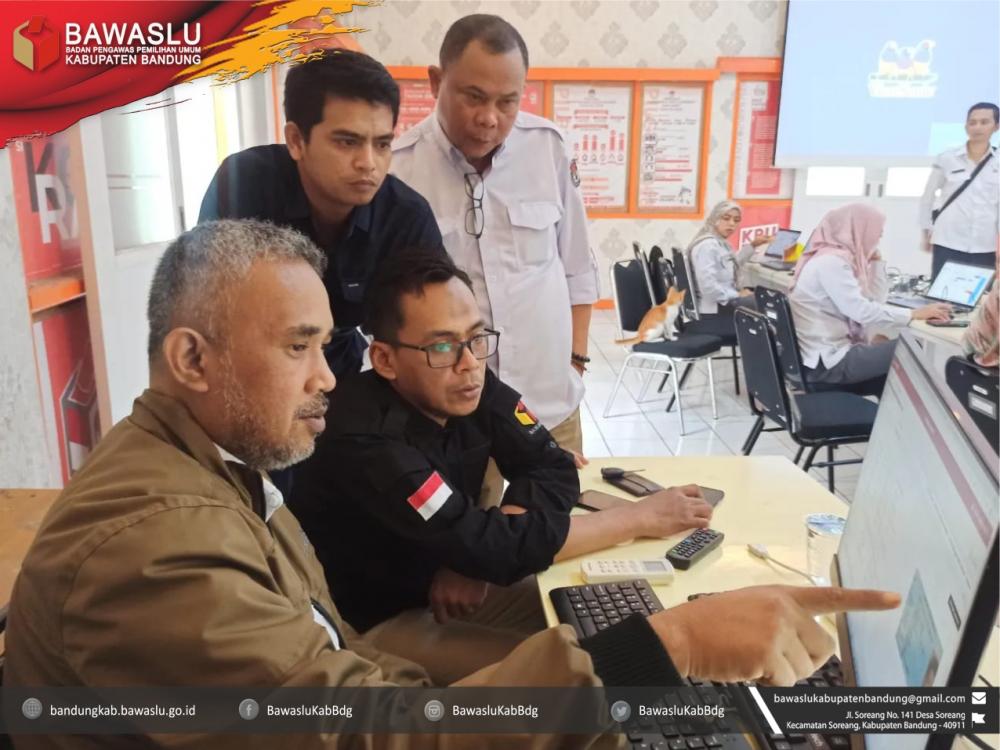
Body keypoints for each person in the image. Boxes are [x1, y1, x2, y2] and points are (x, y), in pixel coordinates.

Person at [4, 219, 901, 750]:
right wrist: (671, 646)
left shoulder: (214, 463)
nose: (324, 377)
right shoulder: (157, 548)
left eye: (324, 346)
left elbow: (546, 469)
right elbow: (371, 733)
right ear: (192, 359)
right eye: (297, 348)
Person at [290, 250, 713, 684]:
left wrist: (477, 558)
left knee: (612, 613)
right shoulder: (363, 437)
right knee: (580, 672)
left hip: (454, 580)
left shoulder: (467, 382)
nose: (469, 363)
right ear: (384, 359)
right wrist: (639, 518)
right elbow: (487, 545)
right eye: (441, 346)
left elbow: (551, 464)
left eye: (476, 338)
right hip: (374, 621)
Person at [390, 15, 597, 490]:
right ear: (436, 82)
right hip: (453, 416)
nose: (489, 118)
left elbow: (578, 268)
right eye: (474, 97)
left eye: (508, 102)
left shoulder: (548, 149)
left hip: (549, 404)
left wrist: (576, 363)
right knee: (471, 530)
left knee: (563, 524)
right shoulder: (400, 170)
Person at [199, 48, 443, 378]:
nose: (368, 163)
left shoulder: (405, 216)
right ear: (296, 140)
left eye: (382, 144)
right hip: (247, 369)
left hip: (342, 370)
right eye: (347, 142)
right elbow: (210, 310)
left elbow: (434, 328)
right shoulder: (243, 186)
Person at [789, 203, 952, 395]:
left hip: (820, 358)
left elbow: (875, 300)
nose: (877, 240)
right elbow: (860, 311)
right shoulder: (832, 262)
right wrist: (913, 314)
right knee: (914, 346)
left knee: (887, 349)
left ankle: (887, 409)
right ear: (860, 230)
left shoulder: (831, 258)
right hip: (828, 363)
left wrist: (876, 262)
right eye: (877, 234)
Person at [919, 102, 999, 279]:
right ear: (966, 127)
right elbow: (928, 197)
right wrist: (926, 230)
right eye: (972, 122)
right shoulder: (947, 158)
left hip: (985, 244)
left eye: (984, 122)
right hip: (948, 241)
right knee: (942, 292)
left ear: (996, 126)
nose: (977, 127)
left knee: (979, 293)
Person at [685, 200, 770, 316]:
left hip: (720, 300)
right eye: (726, 218)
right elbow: (708, 288)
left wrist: (753, 245)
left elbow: (730, 264)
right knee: (763, 303)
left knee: (757, 295)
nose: (732, 224)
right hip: (712, 310)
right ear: (715, 219)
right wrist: (737, 295)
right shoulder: (708, 246)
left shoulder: (718, 242)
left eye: (736, 220)